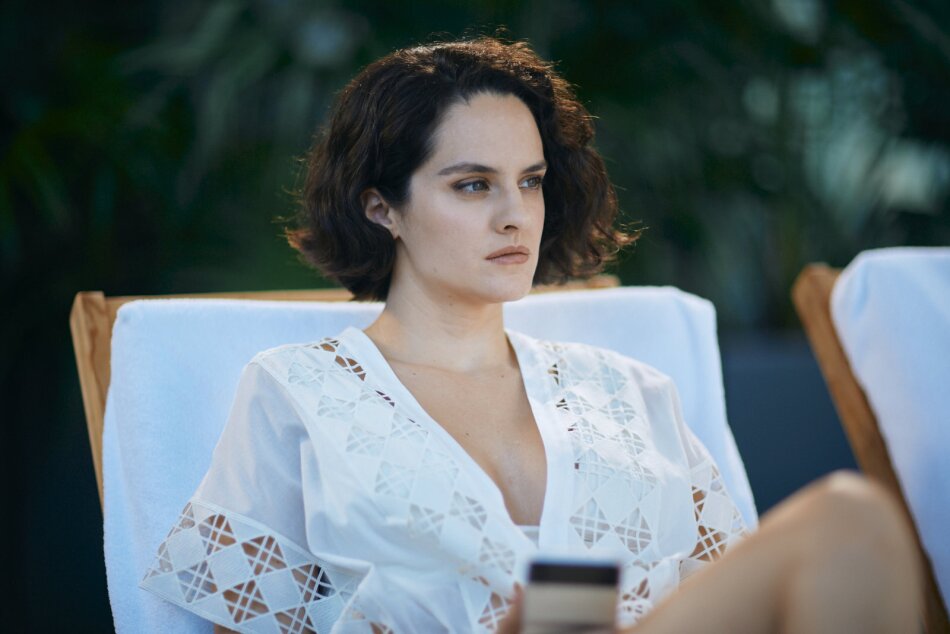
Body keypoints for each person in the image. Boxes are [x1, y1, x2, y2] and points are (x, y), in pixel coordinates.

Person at [139, 36, 922, 633]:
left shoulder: (628, 392)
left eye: (531, 181)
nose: (515, 215)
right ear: (382, 207)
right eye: (472, 185)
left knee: (850, 520)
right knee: (847, 514)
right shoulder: (298, 393)